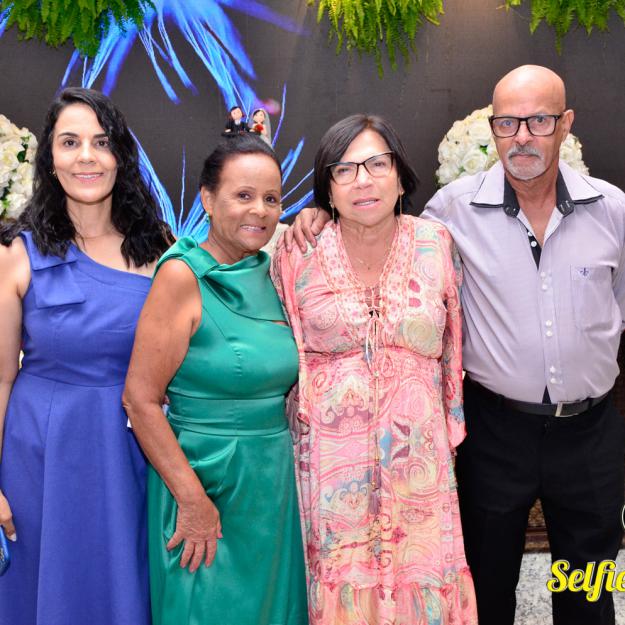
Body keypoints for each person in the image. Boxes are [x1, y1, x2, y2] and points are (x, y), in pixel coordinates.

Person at [286, 65, 625, 625]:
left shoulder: (612, 210)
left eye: (538, 121)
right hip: (498, 434)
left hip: (589, 433)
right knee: (488, 584)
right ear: (492, 129)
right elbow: (380, 230)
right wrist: (321, 211)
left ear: (565, 124)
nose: (522, 137)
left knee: (588, 589)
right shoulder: (451, 211)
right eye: (508, 123)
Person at [272, 114, 477, 625]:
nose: (362, 181)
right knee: (340, 586)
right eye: (344, 170)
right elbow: (281, 353)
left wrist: (450, 427)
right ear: (327, 189)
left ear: (401, 177)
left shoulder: (436, 244)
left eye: (377, 165)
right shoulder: (296, 253)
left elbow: (453, 347)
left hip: (419, 465)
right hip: (329, 468)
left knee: (423, 582)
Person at [0, 87, 173, 625]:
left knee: (123, 588)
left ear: (121, 155)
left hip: (132, 457)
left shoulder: (160, 251)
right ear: (50, 158)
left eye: (101, 142)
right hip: (39, 460)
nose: (86, 157)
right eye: (70, 142)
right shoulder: (17, 253)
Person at [122, 133, 308, 625]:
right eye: (243, 195)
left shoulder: (275, 272)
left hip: (270, 487)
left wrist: (318, 216)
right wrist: (192, 499)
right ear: (207, 198)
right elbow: (140, 400)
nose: (259, 211)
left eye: (272, 199)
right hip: (202, 483)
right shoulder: (181, 276)